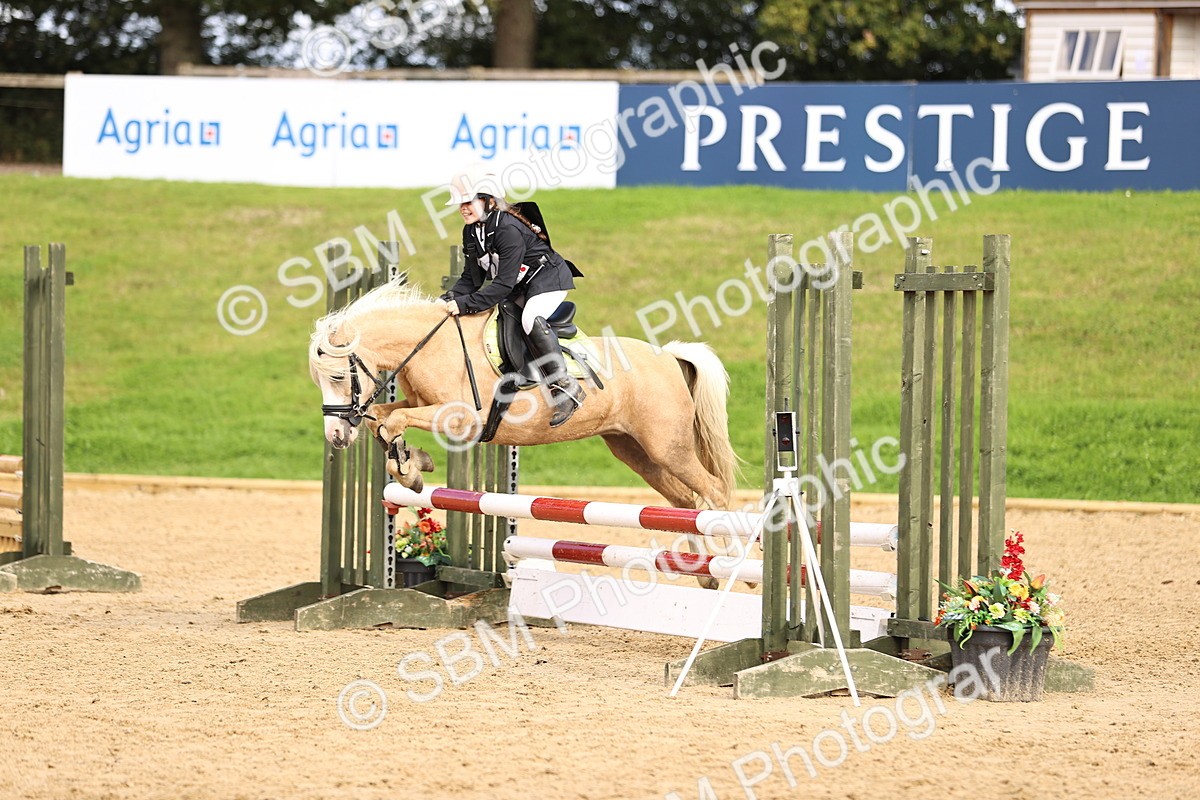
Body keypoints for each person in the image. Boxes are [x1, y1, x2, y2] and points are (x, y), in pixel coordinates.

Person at [438, 169, 586, 427]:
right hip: (522, 285)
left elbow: (503, 284)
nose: (463, 208)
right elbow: (471, 280)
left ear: (489, 201)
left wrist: (464, 304)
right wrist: (446, 299)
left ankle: (565, 386)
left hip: (548, 279)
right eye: (461, 203)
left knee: (530, 318)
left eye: (469, 201)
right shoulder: (472, 232)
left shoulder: (508, 228)